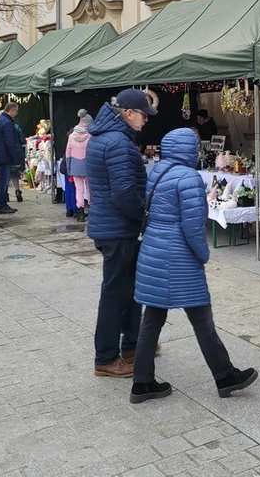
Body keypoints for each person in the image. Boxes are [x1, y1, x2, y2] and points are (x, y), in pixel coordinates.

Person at [130, 128, 258, 403]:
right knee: (202, 320)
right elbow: (192, 226)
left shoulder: (157, 170)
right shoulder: (188, 177)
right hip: (179, 256)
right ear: (188, 148)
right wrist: (203, 254)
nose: (198, 151)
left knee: (152, 319)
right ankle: (225, 376)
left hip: (154, 250)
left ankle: (141, 383)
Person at [86, 89, 157, 378]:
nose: (146, 121)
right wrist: (145, 215)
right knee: (115, 294)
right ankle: (105, 357)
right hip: (118, 228)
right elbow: (125, 193)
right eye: (143, 115)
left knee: (127, 290)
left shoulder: (106, 136)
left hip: (113, 226)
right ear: (128, 113)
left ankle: (131, 345)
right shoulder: (118, 143)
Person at [0, 102, 21, 215]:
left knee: (2, 181)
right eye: (16, 111)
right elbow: (10, 143)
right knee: (3, 182)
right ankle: (0, 205)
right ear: (12, 110)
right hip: (3, 156)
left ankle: (2, 204)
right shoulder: (7, 123)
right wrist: (16, 160)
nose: (16, 114)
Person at [65, 112, 93, 221]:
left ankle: (80, 213)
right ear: (87, 124)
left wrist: (69, 168)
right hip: (88, 164)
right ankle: (91, 211)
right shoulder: (90, 136)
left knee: (79, 190)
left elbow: (68, 153)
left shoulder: (71, 136)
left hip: (75, 165)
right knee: (90, 188)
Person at [11, 121, 27, 203]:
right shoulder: (16, 127)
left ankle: (5, 194)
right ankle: (17, 190)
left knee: (5, 174)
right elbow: (23, 141)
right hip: (17, 153)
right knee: (14, 174)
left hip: (5, 153)